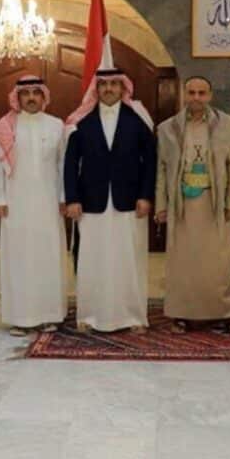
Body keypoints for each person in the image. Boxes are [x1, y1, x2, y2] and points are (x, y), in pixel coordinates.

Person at [64, 67, 156, 333]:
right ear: (96, 88)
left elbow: (149, 161)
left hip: (130, 202)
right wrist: (72, 198)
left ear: (123, 88)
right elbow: (70, 164)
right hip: (90, 203)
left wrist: (145, 195)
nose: (109, 89)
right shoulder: (81, 121)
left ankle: (133, 317)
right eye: (103, 84)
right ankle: (90, 316)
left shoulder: (137, 119)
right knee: (93, 260)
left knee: (129, 260)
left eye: (114, 84)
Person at [154, 76, 230, 336]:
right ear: (184, 95)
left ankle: (224, 314)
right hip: (181, 205)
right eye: (191, 92)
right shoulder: (168, 128)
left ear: (210, 95)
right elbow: (161, 169)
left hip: (214, 204)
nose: (196, 98)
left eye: (201, 93)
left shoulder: (226, 124)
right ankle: (181, 315)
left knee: (217, 262)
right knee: (181, 262)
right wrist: (161, 206)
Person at [0, 75, 68, 337]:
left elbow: (63, 165)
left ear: (44, 96)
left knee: (48, 256)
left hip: (48, 204)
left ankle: (50, 315)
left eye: (36, 92)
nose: (31, 97)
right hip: (16, 204)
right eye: (26, 93)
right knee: (19, 258)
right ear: (18, 97)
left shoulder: (57, 126)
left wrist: (63, 197)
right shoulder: (5, 127)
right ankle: (20, 317)